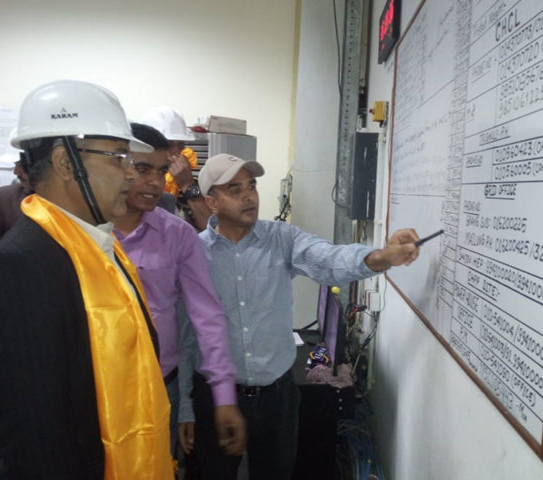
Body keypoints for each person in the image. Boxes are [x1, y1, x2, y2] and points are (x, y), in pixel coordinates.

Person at [0, 80, 173, 479]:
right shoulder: (19, 267)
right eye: (119, 157)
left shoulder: (97, 248)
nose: (131, 173)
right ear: (65, 162)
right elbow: (34, 439)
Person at [179, 154, 420, 479]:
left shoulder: (281, 238)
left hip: (276, 399)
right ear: (211, 202)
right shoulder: (194, 253)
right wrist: (184, 407)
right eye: (235, 189)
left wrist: (381, 257)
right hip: (214, 397)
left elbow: (329, 259)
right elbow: (186, 334)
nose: (249, 196)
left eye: (251, 186)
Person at [112, 122, 245, 458]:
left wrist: (224, 397)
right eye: (143, 169)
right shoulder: (83, 235)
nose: (156, 182)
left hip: (161, 387)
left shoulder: (178, 235)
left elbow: (206, 316)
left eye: (161, 171)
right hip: (99, 389)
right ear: (116, 165)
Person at [140, 106, 212, 230]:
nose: (175, 153)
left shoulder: (187, 183)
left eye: (180, 145)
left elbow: (211, 230)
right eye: (168, 145)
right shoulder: (135, 182)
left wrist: (187, 185)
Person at [0, 156, 33, 239]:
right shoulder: (6, 196)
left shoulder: (60, 198)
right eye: (16, 164)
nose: (15, 172)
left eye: (23, 165)